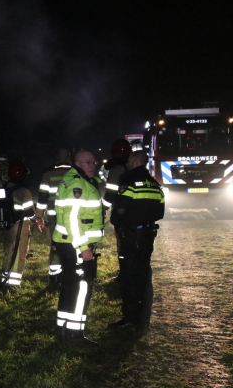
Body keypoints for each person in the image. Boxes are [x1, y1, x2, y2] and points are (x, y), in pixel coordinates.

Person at [108, 150, 165, 332]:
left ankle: (129, 319)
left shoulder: (128, 179)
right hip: (148, 235)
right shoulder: (155, 184)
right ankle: (142, 318)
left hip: (131, 236)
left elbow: (120, 209)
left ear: (133, 161)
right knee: (143, 274)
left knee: (128, 276)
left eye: (128, 161)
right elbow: (160, 213)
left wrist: (118, 222)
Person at [53, 150, 105, 346]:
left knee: (69, 285)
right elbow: (72, 219)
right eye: (88, 162)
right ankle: (74, 335)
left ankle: (62, 328)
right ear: (77, 163)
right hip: (75, 243)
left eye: (94, 162)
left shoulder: (76, 179)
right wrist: (83, 247)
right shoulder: (78, 183)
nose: (92, 165)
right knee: (81, 286)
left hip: (68, 242)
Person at [34, 148, 72, 291]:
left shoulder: (47, 174)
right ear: (69, 157)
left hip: (53, 218)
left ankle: (55, 279)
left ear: (56, 157)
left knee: (55, 248)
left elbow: (42, 198)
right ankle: (69, 276)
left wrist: (39, 216)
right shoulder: (75, 173)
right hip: (71, 217)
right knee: (71, 245)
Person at [0, 160, 36, 287]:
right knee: (19, 254)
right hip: (21, 227)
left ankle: (4, 280)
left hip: (7, 226)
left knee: (9, 253)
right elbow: (30, 213)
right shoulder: (24, 191)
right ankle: (13, 284)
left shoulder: (4, 189)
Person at [101, 139, 133, 280]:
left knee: (123, 245)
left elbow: (110, 195)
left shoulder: (116, 170)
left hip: (122, 214)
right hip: (136, 212)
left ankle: (125, 274)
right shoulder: (134, 167)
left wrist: (101, 209)